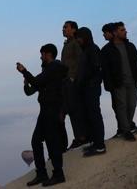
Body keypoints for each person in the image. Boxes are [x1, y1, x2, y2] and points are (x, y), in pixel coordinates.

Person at [17, 44, 68, 186]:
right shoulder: (47, 71)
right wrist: (26, 82)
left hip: (52, 110)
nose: (41, 57)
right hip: (45, 110)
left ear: (48, 54)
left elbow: (37, 81)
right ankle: (42, 174)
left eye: (42, 54)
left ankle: (58, 174)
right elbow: (31, 90)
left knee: (52, 143)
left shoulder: (55, 68)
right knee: (36, 141)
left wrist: (24, 71)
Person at [100, 22, 137, 141]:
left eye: (124, 29)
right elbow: (106, 70)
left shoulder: (131, 46)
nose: (125, 31)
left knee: (132, 105)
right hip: (118, 83)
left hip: (132, 81)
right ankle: (126, 130)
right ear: (115, 32)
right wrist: (109, 85)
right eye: (122, 30)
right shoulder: (106, 50)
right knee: (121, 106)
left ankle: (127, 126)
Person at [74, 27, 106, 157]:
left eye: (79, 37)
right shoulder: (86, 50)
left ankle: (100, 146)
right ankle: (95, 142)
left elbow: (97, 69)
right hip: (86, 89)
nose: (78, 40)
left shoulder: (93, 49)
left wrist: (92, 83)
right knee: (89, 116)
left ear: (86, 37)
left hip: (91, 88)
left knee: (94, 115)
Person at [61, 21, 84, 150]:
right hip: (66, 82)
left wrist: (73, 78)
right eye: (63, 27)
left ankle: (81, 137)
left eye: (66, 27)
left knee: (75, 110)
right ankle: (78, 137)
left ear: (74, 29)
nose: (63, 29)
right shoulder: (66, 44)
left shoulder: (75, 43)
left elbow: (80, 60)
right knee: (70, 110)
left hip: (72, 82)